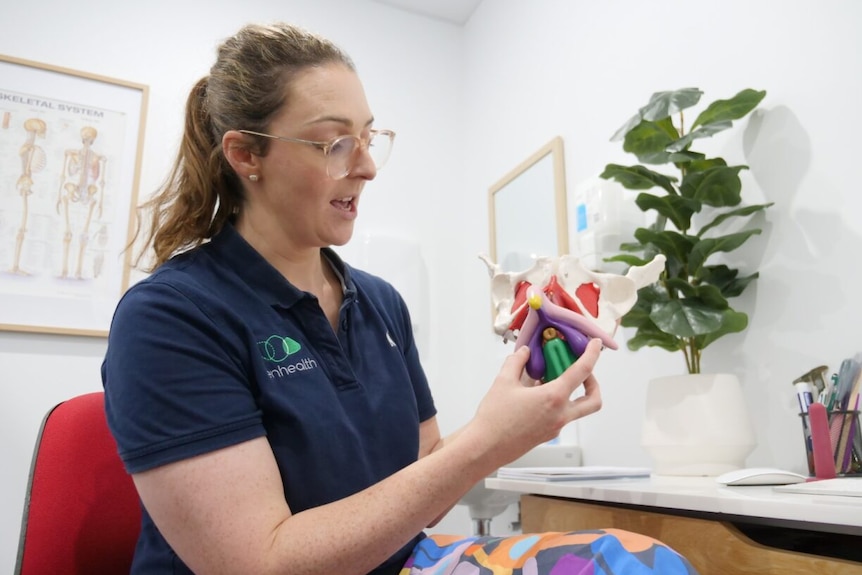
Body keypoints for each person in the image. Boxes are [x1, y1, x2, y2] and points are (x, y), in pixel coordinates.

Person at [102, 22, 699, 575]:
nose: (367, 167)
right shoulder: (171, 317)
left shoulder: (380, 303)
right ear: (245, 155)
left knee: (637, 561)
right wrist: (487, 442)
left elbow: (422, 493)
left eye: (369, 138)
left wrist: (515, 415)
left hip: (404, 563)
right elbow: (261, 562)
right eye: (335, 143)